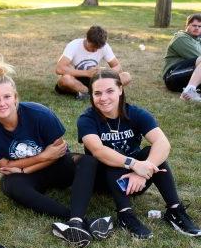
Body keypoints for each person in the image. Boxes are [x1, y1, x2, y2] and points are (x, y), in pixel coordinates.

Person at [0, 60, 113, 248]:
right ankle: (79, 220)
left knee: (88, 162)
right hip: (26, 176)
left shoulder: (39, 113)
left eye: (7, 97)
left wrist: (27, 165)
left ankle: (74, 222)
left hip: (56, 167)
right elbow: (6, 167)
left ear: (16, 97)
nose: (2, 103)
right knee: (10, 185)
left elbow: (59, 151)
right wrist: (42, 157)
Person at [78, 69, 201, 238]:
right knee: (112, 155)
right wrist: (135, 165)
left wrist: (144, 171)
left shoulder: (135, 113)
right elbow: (98, 151)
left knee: (153, 152)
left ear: (120, 89)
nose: (103, 98)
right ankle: (125, 214)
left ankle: (174, 210)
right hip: (104, 182)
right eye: (97, 93)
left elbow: (163, 143)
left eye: (110, 91)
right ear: (91, 95)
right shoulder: (87, 119)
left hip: (137, 181)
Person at [55, 25, 131, 100]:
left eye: (98, 48)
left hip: (95, 79)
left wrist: (104, 72)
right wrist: (86, 73)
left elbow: (117, 66)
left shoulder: (104, 46)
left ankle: (89, 93)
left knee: (126, 76)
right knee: (65, 79)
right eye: (93, 47)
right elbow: (59, 69)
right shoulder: (74, 45)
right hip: (75, 79)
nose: (95, 50)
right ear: (87, 39)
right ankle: (90, 91)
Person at [162, 13, 201, 102]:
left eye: (200, 26)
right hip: (172, 76)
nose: (197, 28)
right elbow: (198, 56)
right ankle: (189, 91)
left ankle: (191, 89)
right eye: (194, 25)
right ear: (187, 26)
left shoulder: (198, 39)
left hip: (189, 75)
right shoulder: (181, 38)